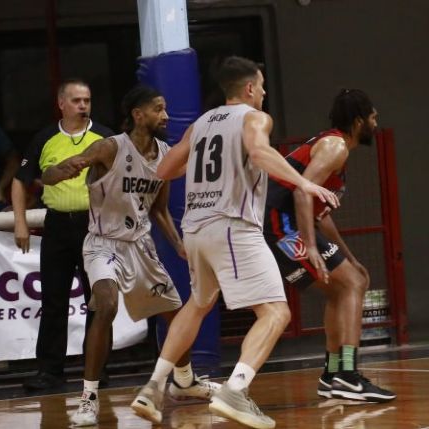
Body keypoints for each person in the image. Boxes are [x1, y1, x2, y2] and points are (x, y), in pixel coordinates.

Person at [130, 56, 338, 428]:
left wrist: (200, 166)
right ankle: (235, 391)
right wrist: (304, 182)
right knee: (276, 313)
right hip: (232, 225)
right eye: (262, 86)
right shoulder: (255, 118)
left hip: (195, 227)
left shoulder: (200, 123)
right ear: (250, 88)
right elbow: (259, 152)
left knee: (198, 303)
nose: (264, 93)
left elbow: (163, 169)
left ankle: (153, 387)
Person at [43, 85, 220, 426]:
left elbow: (159, 209)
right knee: (106, 304)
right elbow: (48, 176)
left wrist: (178, 244)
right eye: (158, 109)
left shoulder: (166, 155)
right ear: (139, 115)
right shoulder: (110, 147)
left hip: (140, 245)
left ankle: (185, 381)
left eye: (165, 108)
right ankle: (88, 398)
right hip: (103, 243)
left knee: (177, 314)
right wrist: (64, 169)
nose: (165, 115)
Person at [264, 89, 396, 402]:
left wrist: (351, 258)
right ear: (359, 121)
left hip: (289, 223)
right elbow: (301, 192)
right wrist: (310, 247)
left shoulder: (333, 148)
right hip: (280, 224)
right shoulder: (335, 146)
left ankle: (332, 374)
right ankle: (348, 376)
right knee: (351, 284)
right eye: (373, 117)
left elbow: (320, 216)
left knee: (346, 285)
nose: (376, 124)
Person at [12, 79, 114, 390]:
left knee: (98, 301)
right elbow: (20, 180)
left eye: (87, 100)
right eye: (76, 100)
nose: (83, 105)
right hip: (57, 226)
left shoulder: (106, 137)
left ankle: (96, 370)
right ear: (61, 104)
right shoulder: (45, 138)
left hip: (95, 227)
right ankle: (49, 372)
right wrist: (20, 222)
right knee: (53, 300)